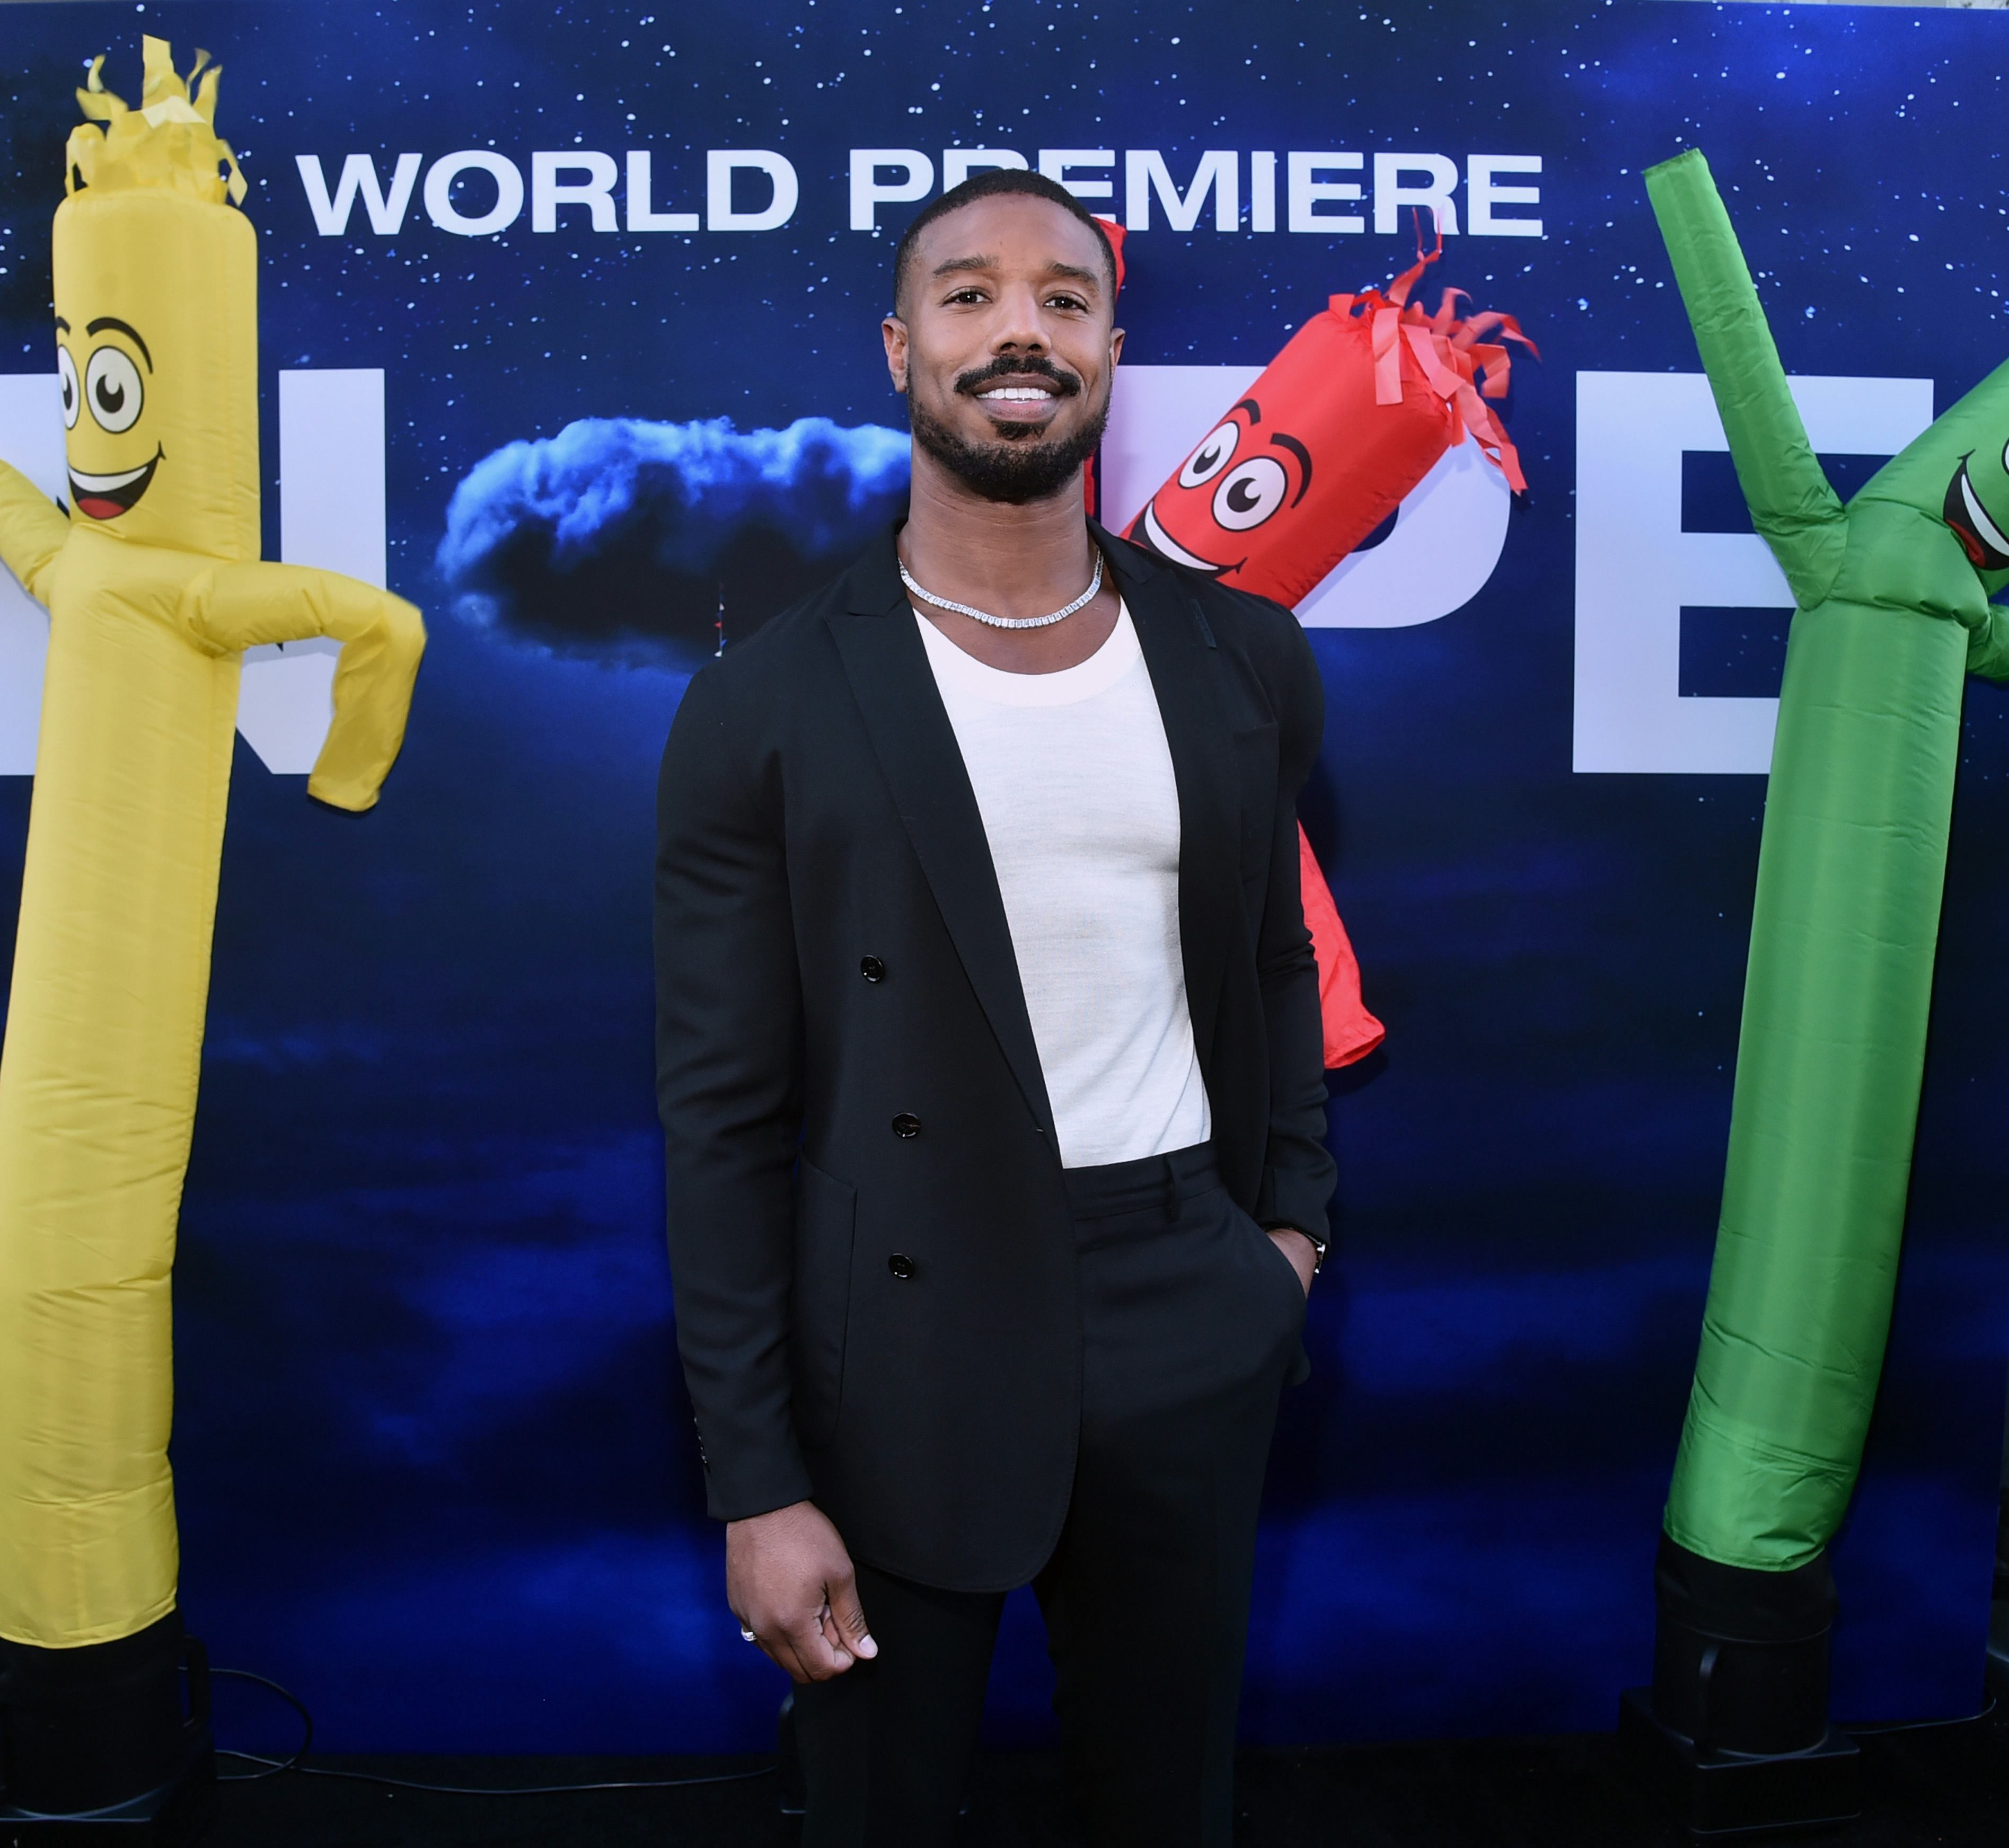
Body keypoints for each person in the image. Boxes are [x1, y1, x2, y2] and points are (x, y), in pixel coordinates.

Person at [653, 166, 1335, 1845]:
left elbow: (1272, 958)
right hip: (902, 1334)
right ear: (899, 351)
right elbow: (721, 1116)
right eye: (968, 296)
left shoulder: (1245, 659)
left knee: (1164, 1807)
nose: (1017, 327)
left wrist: (1287, 1239)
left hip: (1188, 1294)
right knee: (878, 1808)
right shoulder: (765, 703)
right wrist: (758, 1481)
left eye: (1062, 296)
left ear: (1109, 349)